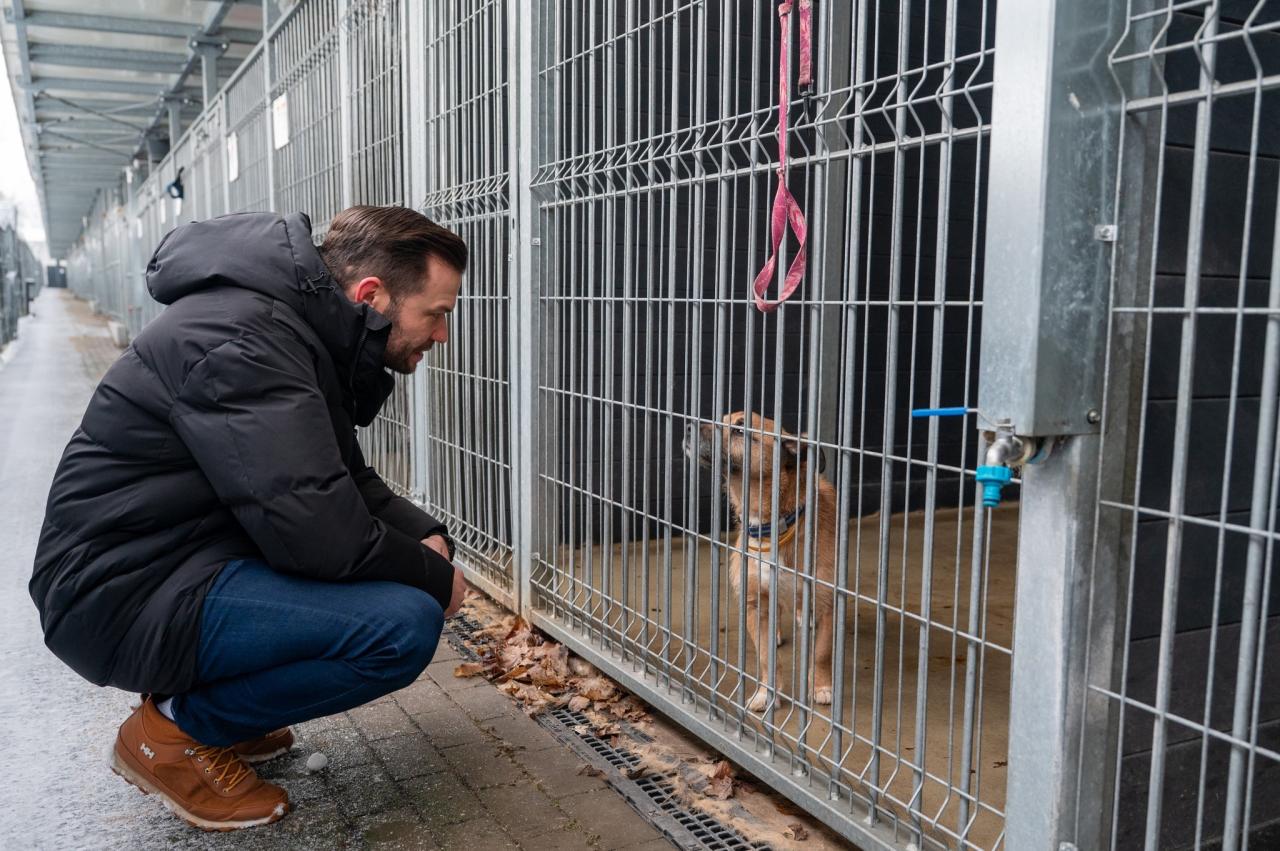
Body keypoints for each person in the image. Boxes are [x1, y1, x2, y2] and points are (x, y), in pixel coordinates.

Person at [30, 205, 470, 830]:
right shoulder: (244, 342)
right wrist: (428, 575)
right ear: (372, 295)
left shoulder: (286, 330)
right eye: (438, 313)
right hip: (117, 595)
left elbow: (341, 479)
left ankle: (214, 713)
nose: (443, 335)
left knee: (397, 585)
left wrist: (425, 534)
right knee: (399, 625)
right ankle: (176, 735)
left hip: (171, 564)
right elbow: (318, 533)